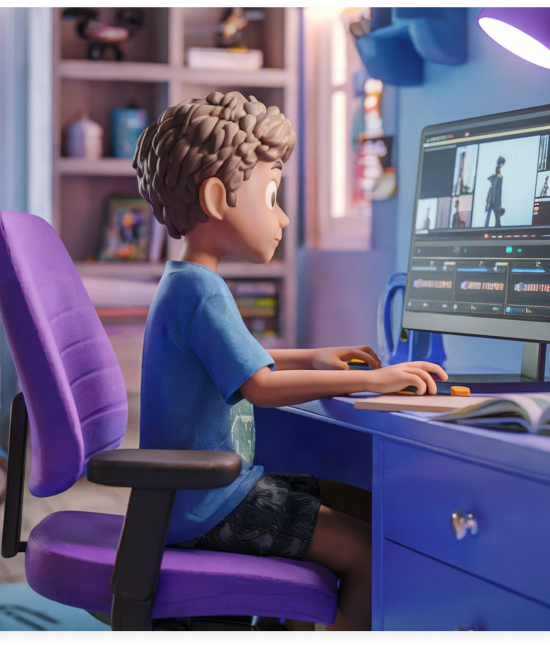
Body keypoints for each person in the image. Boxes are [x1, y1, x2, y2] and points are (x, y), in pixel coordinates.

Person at [132, 91, 447, 633]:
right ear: (215, 196)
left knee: (363, 503)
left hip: (211, 492)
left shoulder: (186, 283)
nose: (279, 216)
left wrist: (316, 357)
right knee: (366, 550)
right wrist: (377, 378)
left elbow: (236, 358)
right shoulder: (201, 291)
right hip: (209, 505)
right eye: (271, 194)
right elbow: (258, 385)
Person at [484, 156, 505, 228]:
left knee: (496, 216)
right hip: (493, 200)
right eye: (502, 163)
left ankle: (497, 225)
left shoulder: (498, 177)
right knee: (491, 215)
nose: (502, 165)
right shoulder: (497, 177)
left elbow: (498, 190)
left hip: (494, 200)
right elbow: (496, 189)